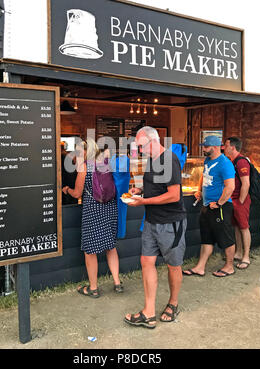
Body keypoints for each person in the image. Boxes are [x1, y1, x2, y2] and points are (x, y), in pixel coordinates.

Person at [124, 126, 187, 329]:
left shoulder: (170, 160)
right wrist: (140, 190)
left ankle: (173, 303)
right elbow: (156, 184)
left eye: (141, 146)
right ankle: (148, 312)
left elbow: (174, 195)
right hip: (151, 222)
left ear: (153, 141)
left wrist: (143, 202)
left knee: (173, 265)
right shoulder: (152, 160)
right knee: (146, 261)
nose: (140, 151)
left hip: (171, 222)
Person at [63, 138, 123, 297]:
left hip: (93, 211)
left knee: (90, 251)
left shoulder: (84, 167)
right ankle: (117, 283)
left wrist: (67, 189)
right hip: (110, 209)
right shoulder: (105, 163)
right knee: (111, 246)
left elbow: (77, 193)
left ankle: (93, 288)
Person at [183, 135, 236, 278]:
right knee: (207, 238)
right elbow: (203, 176)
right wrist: (200, 190)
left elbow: (230, 187)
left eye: (206, 147)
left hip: (220, 207)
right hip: (207, 206)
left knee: (226, 237)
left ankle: (229, 266)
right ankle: (200, 267)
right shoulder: (207, 160)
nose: (203, 149)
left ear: (215, 147)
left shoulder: (225, 163)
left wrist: (219, 203)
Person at [223, 137, 251, 269]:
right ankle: (238, 253)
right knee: (236, 227)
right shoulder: (231, 161)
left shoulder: (241, 162)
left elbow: (246, 183)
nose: (224, 147)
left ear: (232, 147)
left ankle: (246, 256)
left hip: (240, 200)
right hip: (232, 199)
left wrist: (240, 201)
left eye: (226, 145)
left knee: (244, 227)